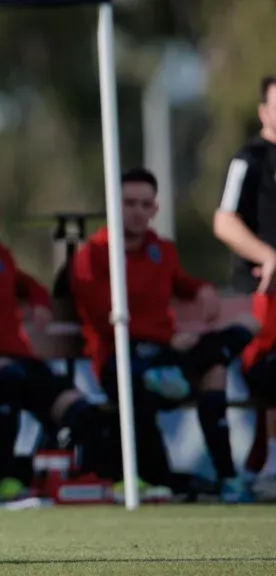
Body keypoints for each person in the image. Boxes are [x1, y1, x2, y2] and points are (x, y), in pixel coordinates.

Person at [73, 167, 251, 501]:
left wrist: (203, 291)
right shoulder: (93, 256)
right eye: (129, 203)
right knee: (203, 365)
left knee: (232, 344)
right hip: (123, 360)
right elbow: (105, 319)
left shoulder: (161, 250)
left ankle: (229, 478)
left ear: (155, 209)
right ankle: (162, 475)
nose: (137, 211)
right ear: (113, 205)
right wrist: (166, 338)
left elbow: (181, 283)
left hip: (166, 355)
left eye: (145, 204)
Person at [0, 183, 98, 498]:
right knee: (7, 378)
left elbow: (28, 284)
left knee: (79, 408)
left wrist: (40, 303)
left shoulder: (0, 257)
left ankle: (53, 475)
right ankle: (5, 477)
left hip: (19, 358)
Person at [213, 75, 276, 482]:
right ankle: (266, 465)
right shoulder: (250, 158)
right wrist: (268, 255)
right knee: (270, 371)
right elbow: (224, 221)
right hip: (262, 298)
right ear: (263, 112)